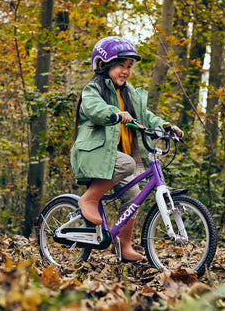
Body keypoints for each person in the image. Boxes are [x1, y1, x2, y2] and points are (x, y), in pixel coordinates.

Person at [70, 36, 183, 262]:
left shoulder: (129, 94)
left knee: (133, 194)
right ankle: (88, 200)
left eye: (129, 66)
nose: (125, 71)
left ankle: (124, 245)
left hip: (116, 157)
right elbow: (93, 108)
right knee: (127, 164)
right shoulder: (94, 89)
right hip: (95, 155)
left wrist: (166, 126)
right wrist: (114, 114)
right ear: (102, 65)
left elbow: (146, 117)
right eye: (120, 65)